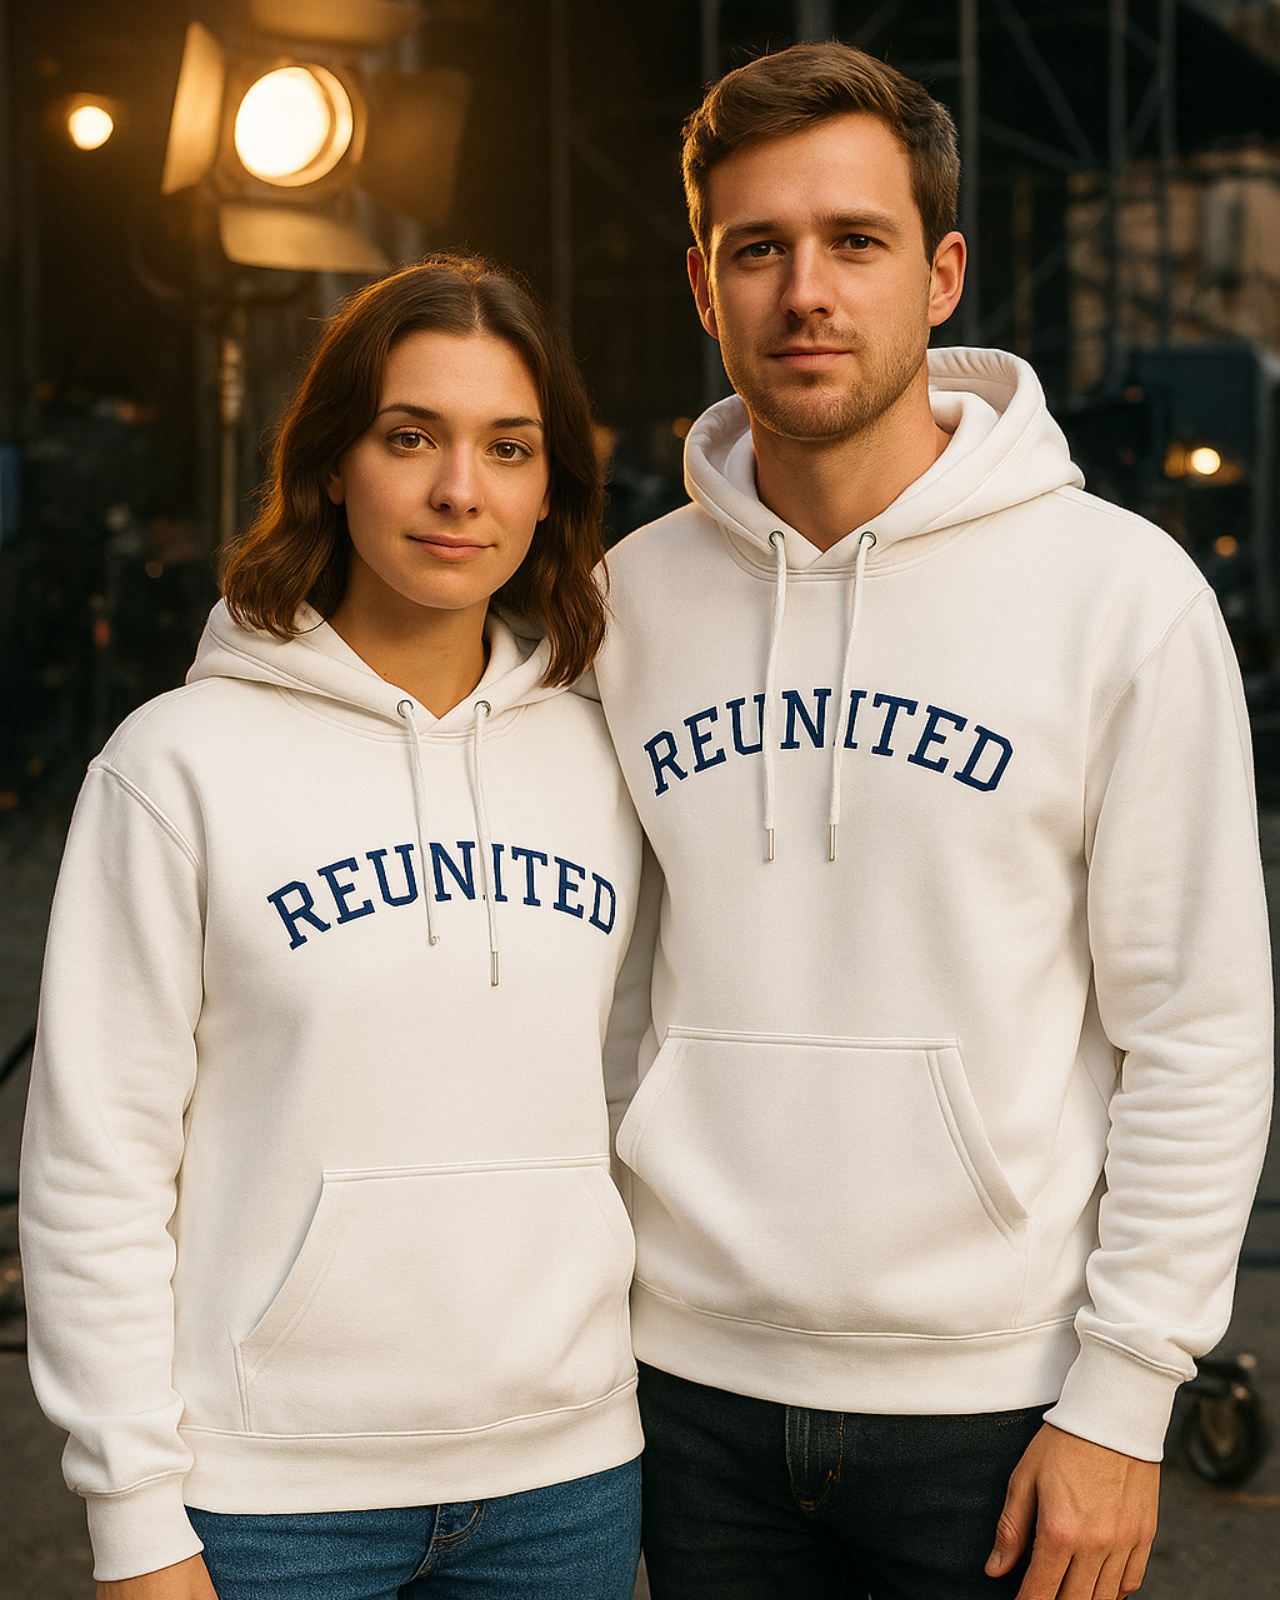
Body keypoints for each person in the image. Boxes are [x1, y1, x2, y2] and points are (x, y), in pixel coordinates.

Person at [592, 41, 1273, 1600]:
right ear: (704, 289)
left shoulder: (1120, 598)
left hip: (1003, 1404)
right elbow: (603, 992)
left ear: (943, 272)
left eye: (855, 241)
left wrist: (1126, 1395)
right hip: (679, 1390)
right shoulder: (625, 602)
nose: (805, 292)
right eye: (757, 249)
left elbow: (1200, 1026)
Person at [21, 255, 648, 1600]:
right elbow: (96, 1162)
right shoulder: (179, 763)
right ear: (330, 465)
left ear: (553, 491)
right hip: (270, 1501)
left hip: (569, 1479)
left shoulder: (608, 765)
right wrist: (135, 1513)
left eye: (509, 447)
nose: (457, 490)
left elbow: (633, 1086)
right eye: (409, 436)